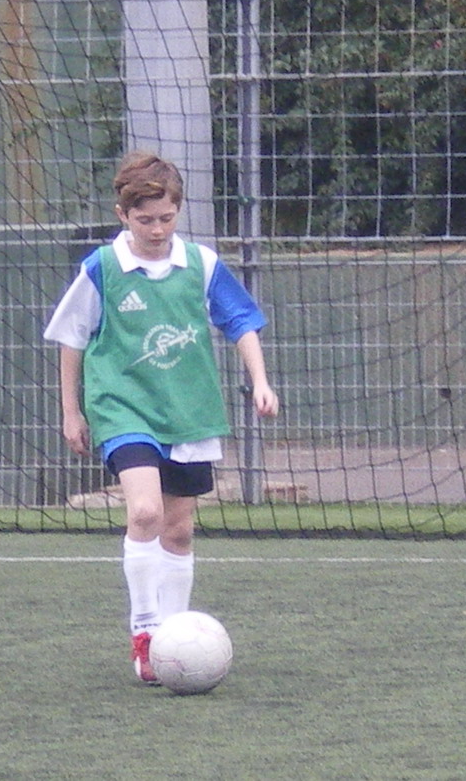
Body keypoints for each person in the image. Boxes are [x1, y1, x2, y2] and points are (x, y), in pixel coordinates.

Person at [43, 150, 279, 685]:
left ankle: (176, 634)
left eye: (166, 218)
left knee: (178, 529)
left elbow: (240, 320)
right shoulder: (102, 268)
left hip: (187, 409)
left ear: (178, 212)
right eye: (144, 219)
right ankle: (145, 630)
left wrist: (260, 380)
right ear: (123, 215)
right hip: (122, 407)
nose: (156, 228)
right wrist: (71, 411)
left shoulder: (201, 265)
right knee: (145, 512)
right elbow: (71, 339)